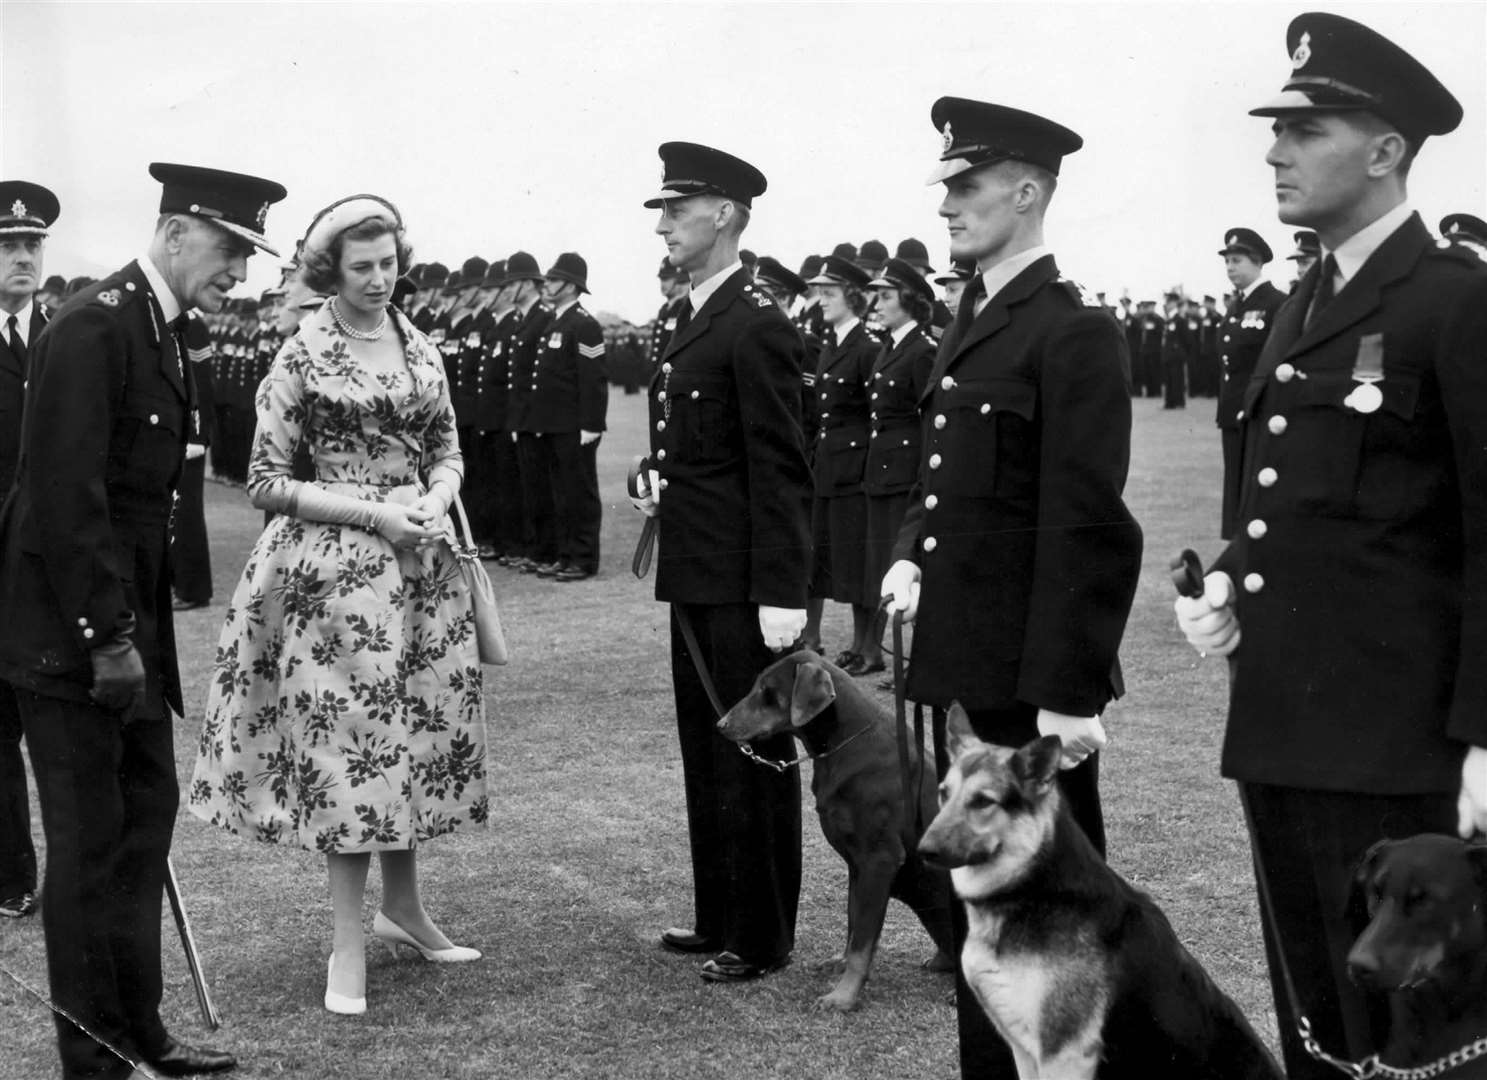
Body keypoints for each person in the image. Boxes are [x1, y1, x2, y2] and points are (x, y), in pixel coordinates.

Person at [1173, 13, 1487, 1078]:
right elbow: (1293, 499)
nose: (1273, 152)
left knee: (1423, 1042)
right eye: (1275, 132)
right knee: (1313, 1015)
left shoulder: (1455, 301)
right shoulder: (1302, 299)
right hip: (1282, 726)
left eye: (1304, 131)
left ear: (1387, 149)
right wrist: (1224, 580)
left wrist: (1486, 738)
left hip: (1399, 751)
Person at [879, 98, 1142, 1080]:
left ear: (1025, 190)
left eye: (965, 185)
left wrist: (1066, 694)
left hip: (1030, 685)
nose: (946, 205)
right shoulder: (973, 317)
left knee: (1053, 937)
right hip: (974, 659)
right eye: (943, 186)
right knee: (980, 936)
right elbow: (944, 479)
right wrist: (910, 546)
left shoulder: (1068, 331)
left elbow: (1087, 526)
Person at [0, 162, 277, 1080]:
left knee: (141, 828)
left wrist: (135, 641)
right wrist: (107, 641)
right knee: (86, 851)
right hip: (73, 643)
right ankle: (94, 1060)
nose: (239, 270)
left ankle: (140, 1030)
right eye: (231, 248)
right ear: (174, 234)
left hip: (128, 639)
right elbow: (60, 502)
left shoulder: (156, 328)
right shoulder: (94, 326)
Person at [189, 195, 488, 1017]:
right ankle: (346, 943)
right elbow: (263, 480)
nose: (378, 279)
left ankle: (404, 909)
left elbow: (449, 446)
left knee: (414, 741)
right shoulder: (301, 352)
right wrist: (375, 511)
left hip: (420, 573)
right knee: (351, 756)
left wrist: (437, 491)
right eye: (361, 267)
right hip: (333, 582)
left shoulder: (417, 340)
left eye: (388, 263)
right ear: (329, 270)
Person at [636, 141, 810, 983]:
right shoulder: (689, 316)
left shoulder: (759, 323)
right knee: (708, 750)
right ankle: (719, 914)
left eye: (677, 208)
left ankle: (764, 932)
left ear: (727, 215)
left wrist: (783, 591)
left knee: (753, 756)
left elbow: (782, 467)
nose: (663, 222)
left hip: (744, 582)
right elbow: (694, 447)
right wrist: (654, 476)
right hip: (695, 569)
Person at [0, 180, 58, 922]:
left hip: (49, 569)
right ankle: (11, 876)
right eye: (9, 247)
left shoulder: (66, 334)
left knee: (59, 729)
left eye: (30, 245)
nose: (21, 257)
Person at [800, 254, 879, 671]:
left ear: (852, 296)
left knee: (859, 561)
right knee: (828, 556)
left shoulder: (867, 348)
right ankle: (847, 644)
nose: (821, 300)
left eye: (829, 293)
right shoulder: (832, 345)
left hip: (856, 469)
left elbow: (874, 416)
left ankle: (866, 648)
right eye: (820, 292)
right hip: (828, 465)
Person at [861, 257, 937, 675]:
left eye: (886, 296)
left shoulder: (922, 350)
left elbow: (928, 422)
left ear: (909, 301)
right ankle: (900, 663)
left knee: (909, 569)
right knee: (887, 569)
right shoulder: (892, 347)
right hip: (882, 472)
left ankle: (916, 664)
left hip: (906, 474)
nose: (878, 303)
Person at [529, 252, 606, 581]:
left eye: (554, 280)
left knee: (579, 492)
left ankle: (583, 558)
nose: (547, 285)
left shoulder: (584, 324)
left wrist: (591, 423)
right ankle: (566, 553)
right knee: (559, 493)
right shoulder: (555, 321)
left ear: (572, 285)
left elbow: (593, 378)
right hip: (553, 424)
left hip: (576, 426)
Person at [1215, 227, 1285, 539]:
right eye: (1227, 260)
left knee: (1254, 484)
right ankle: (1236, 543)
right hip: (1233, 408)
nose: (1230, 267)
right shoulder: (1236, 305)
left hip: (1257, 409)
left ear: (1256, 263)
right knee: (1235, 482)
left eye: (1237, 260)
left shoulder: (1276, 303)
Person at [168, 311, 215, 609]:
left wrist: (198, 436)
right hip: (175, 432)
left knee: (187, 515)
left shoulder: (192, 324)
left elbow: (202, 383)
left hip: (190, 435)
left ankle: (194, 589)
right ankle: (180, 583)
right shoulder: (171, 319)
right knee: (175, 514)